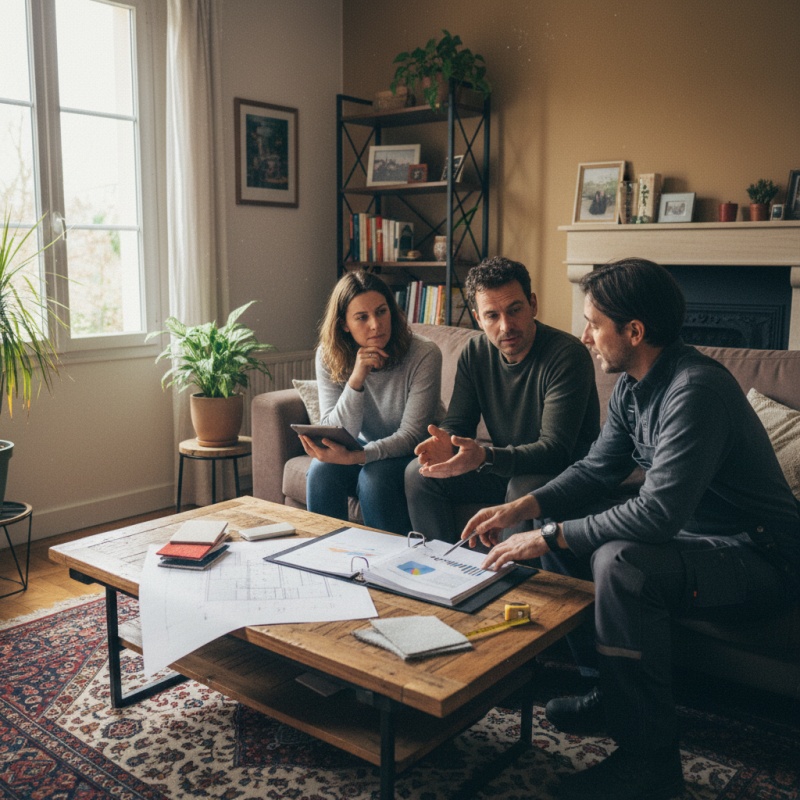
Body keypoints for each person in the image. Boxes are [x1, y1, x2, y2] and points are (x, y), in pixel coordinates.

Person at [460, 258, 800, 800]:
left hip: (763, 557)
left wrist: (546, 536)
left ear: (634, 331)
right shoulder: (632, 387)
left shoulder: (696, 390)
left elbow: (658, 513)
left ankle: (652, 768)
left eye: (593, 323)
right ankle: (608, 694)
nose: (584, 335)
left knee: (619, 563)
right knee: (561, 530)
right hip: (698, 542)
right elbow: (596, 470)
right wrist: (521, 510)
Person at [404, 256, 600, 543]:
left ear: (533, 304)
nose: (506, 326)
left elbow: (555, 450)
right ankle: (440, 565)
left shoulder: (566, 355)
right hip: (505, 467)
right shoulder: (475, 353)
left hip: (560, 474)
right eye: (492, 316)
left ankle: (510, 572)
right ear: (478, 318)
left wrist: (487, 456)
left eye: (514, 310)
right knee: (419, 474)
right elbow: (459, 422)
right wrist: (446, 441)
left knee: (522, 487)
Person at [300, 270, 442, 535]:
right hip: (368, 447)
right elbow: (335, 431)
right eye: (362, 317)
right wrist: (356, 379)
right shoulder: (328, 355)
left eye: (381, 312)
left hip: (414, 453)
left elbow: (412, 435)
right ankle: (325, 552)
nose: (376, 325)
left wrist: (359, 456)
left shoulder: (424, 354)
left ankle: (388, 559)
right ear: (344, 324)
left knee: (374, 476)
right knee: (321, 470)